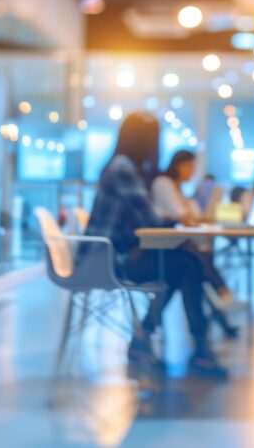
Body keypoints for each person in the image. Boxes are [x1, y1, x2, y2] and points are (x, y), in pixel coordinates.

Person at [84, 112, 227, 379]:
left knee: (182, 264)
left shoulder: (119, 166)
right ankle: (197, 348)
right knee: (187, 264)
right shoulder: (123, 170)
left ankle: (149, 338)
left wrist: (173, 220)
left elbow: (146, 218)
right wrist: (176, 220)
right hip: (109, 261)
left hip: (107, 255)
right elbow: (149, 219)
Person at [151, 150, 239, 309]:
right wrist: (192, 213)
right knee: (195, 259)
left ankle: (219, 303)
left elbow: (194, 214)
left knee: (194, 264)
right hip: (162, 246)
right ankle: (222, 291)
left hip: (179, 242)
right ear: (179, 165)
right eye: (190, 166)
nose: (192, 171)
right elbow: (181, 215)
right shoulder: (163, 182)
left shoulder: (178, 187)